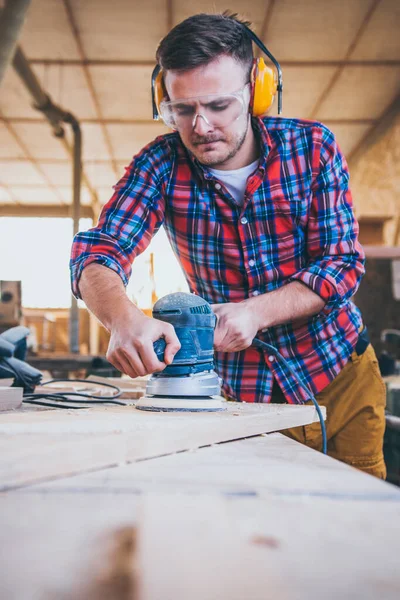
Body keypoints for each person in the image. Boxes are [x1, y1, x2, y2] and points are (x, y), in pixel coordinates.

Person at [70, 13, 386, 478]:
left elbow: (340, 265)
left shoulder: (313, 147)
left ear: (257, 92)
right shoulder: (160, 164)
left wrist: (255, 312)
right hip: (242, 392)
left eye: (219, 105)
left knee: (359, 521)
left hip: (337, 372)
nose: (200, 126)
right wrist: (121, 318)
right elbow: (97, 251)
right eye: (182, 109)